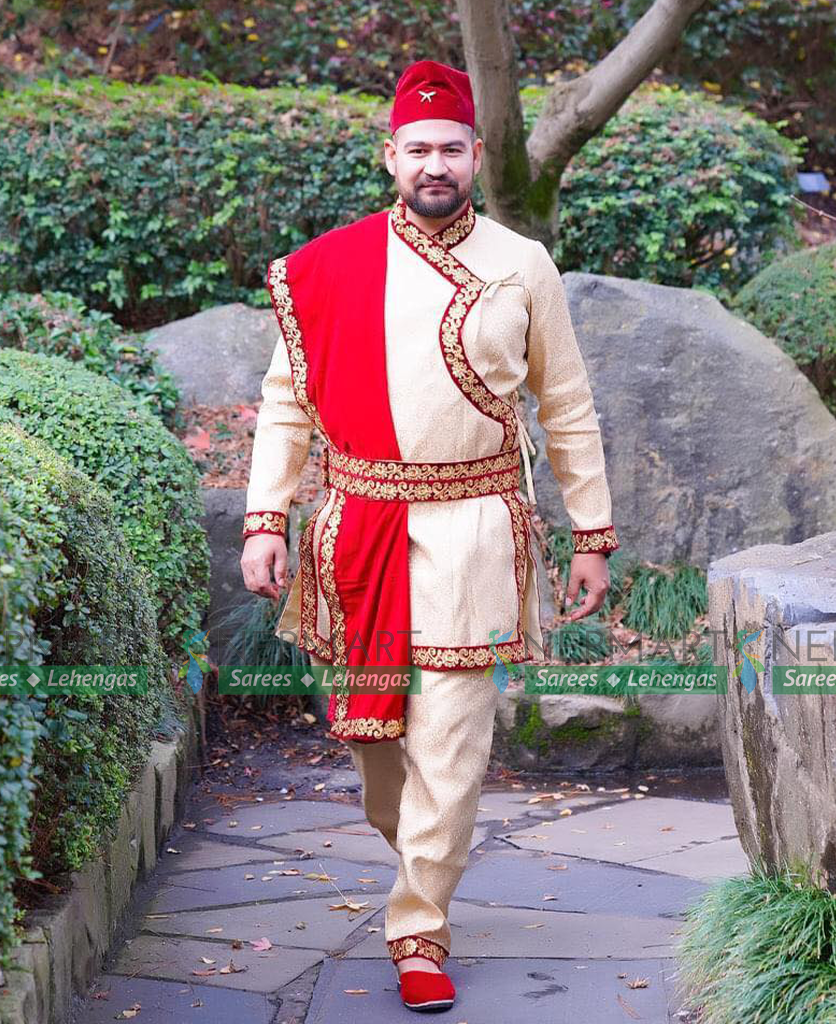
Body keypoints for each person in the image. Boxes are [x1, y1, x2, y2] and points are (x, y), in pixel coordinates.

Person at [241, 58, 619, 1013]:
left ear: (477, 154)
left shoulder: (522, 263)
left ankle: (419, 928)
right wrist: (265, 517)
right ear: (391, 157)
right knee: (381, 763)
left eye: (452, 147)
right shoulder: (328, 267)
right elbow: (287, 404)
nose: (435, 164)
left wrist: (590, 534)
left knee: (451, 742)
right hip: (357, 527)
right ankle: (419, 852)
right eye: (418, 149)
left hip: (476, 530)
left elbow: (566, 404)